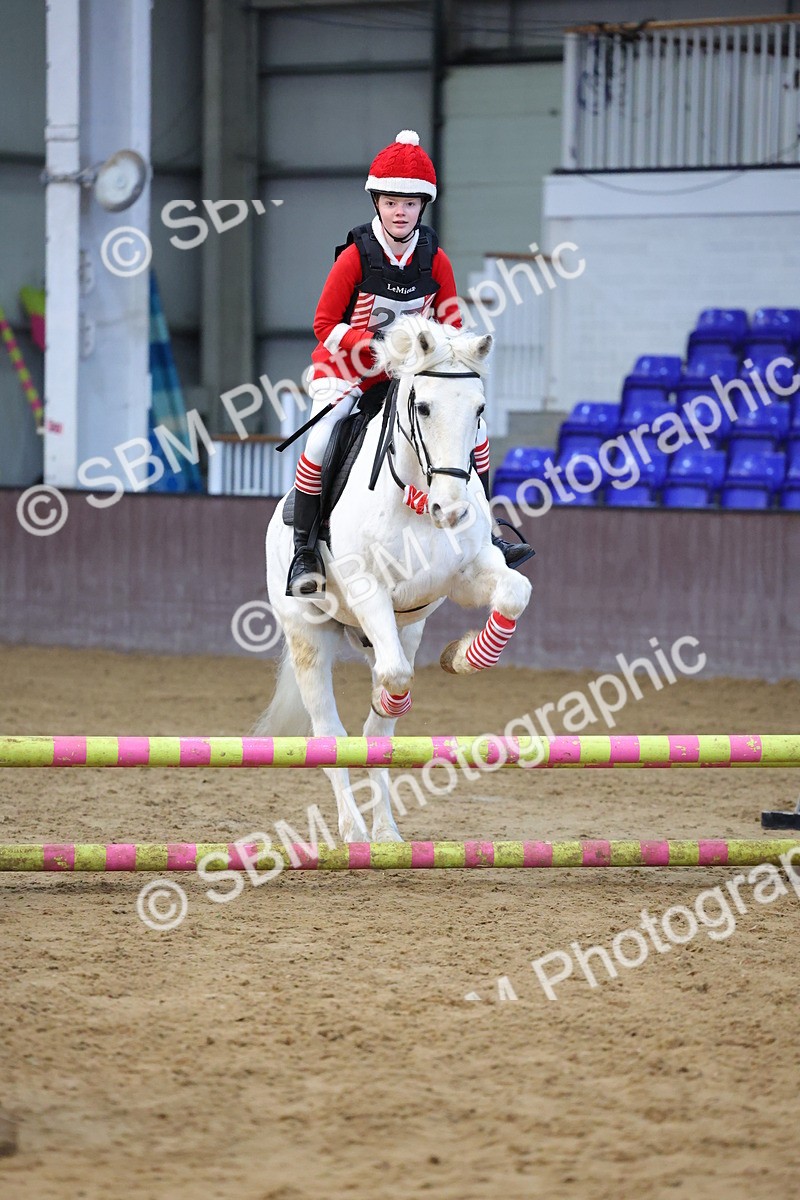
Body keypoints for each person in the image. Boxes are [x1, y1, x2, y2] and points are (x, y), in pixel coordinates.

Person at [286, 129, 532, 596]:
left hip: (407, 377)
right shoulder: (355, 258)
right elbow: (323, 325)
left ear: (423, 208)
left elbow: (452, 322)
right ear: (377, 203)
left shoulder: (434, 260)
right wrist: (378, 348)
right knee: (322, 437)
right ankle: (305, 549)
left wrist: (458, 351)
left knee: (473, 434)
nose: (401, 213)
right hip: (347, 369)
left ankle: (489, 533)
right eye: (392, 203)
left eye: (411, 204)